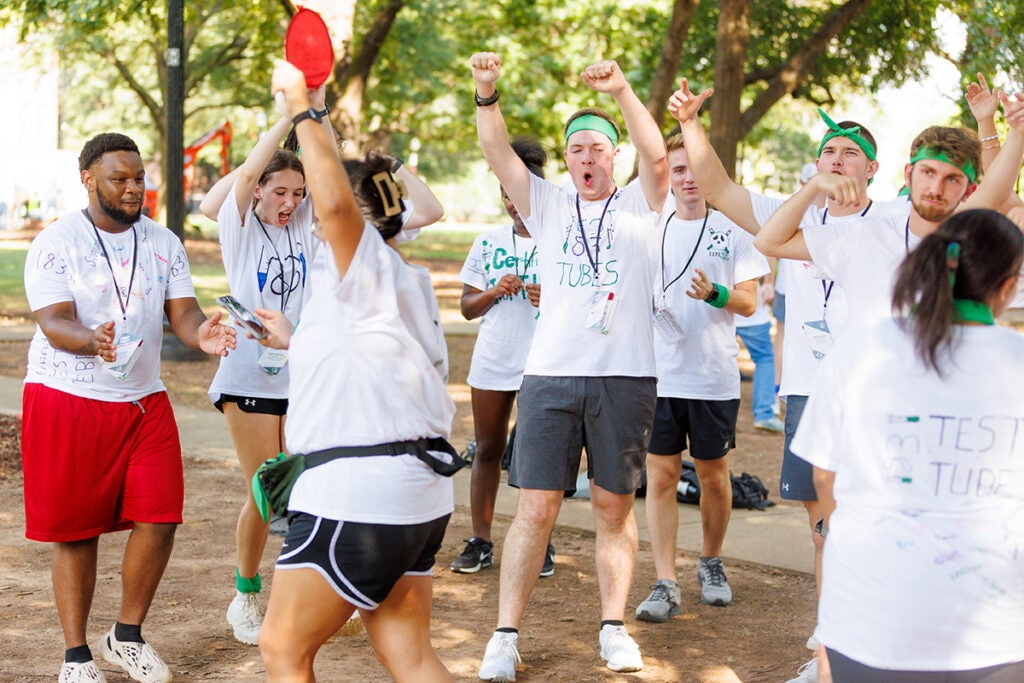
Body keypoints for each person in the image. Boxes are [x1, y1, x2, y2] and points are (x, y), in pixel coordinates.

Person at [667, 79, 902, 682]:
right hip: (808, 390)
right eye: (828, 150)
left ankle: (881, 641)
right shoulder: (791, 211)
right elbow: (717, 187)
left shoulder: (896, 220)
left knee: (876, 520)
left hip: (878, 391)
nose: (836, 159)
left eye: (849, 153)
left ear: (872, 168)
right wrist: (692, 123)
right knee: (823, 528)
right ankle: (829, 650)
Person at [255, 60, 458, 682]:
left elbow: (341, 211)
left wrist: (302, 105)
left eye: (320, 206)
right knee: (410, 654)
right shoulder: (402, 279)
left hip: (358, 495)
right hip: (414, 493)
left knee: (282, 650)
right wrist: (299, 340)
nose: (316, 218)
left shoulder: (359, 262)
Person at [470, 52, 668, 678]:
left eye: (598, 148)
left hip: (625, 375)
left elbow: (657, 155)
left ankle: (613, 627)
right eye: (576, 148)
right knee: (536, 507)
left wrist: (623, 88)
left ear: (614, 156)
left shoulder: (640, 202)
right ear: (568, 158)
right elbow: (498, 154)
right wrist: (486, 91)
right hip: (551, 374)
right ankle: (504, 635)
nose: (587, 158)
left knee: (614, 508)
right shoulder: (548, 205)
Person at [21, 132, 236, 683]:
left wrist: (201, 335)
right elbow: (53, 320)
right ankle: (76, 657)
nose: (134, 187)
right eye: (120, 178)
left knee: (160, 519)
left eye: (139, 177)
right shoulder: (55, 242)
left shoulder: (164, 241)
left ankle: (126, 636)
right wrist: (91, 338)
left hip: (143, 402)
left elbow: (182, 313)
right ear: (88, 179)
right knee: (77, 532)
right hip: (69, 398)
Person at [793, 209, 1024, 681]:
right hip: (994, 626)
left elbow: (824, 476)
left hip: (870, 614)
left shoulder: (860, 348)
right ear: (1007, 286)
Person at [197, 88, 331, 647]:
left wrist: (316, 113)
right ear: (256, 193)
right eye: (280, 190)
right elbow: (252, 168)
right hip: (247, 372)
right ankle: (245, 596)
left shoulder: (302, 226)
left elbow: (331, 179)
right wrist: (287, 115)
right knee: (265, 486)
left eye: (298, 192)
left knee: (301, 486)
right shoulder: (242, 226)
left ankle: (301, 600)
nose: (291, 201)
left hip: (298, 372)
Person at [634, 133, 768, 622]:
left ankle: (711, 561)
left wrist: (716, 295)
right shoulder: (651, 229)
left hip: (712, 375)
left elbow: (750, 301)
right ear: (666, 175)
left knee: (713, 477)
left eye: (695, 169)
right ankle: (665, 580)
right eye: (678, 170)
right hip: (659, 377)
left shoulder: (734, 230)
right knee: (661, 475)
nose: (687, 179)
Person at [449, 138, 548, 577]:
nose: (513, 201)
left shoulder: (560, 240)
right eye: (506, 192)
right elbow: (467, 308)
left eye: (520, 190)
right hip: (493, 360)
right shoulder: (488, 242)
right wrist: (493, 290)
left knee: (536, 457)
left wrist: (552, 299)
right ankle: (481, 540)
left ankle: (537, 541)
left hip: (544, 362)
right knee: (489, 449)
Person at [734, 275, 784, 433]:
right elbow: (768, 253)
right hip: (752, 312)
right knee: (765, 359)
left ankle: (708, 414)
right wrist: (769, 282)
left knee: (714, 359)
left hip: (718, 309)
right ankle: (764, 414)